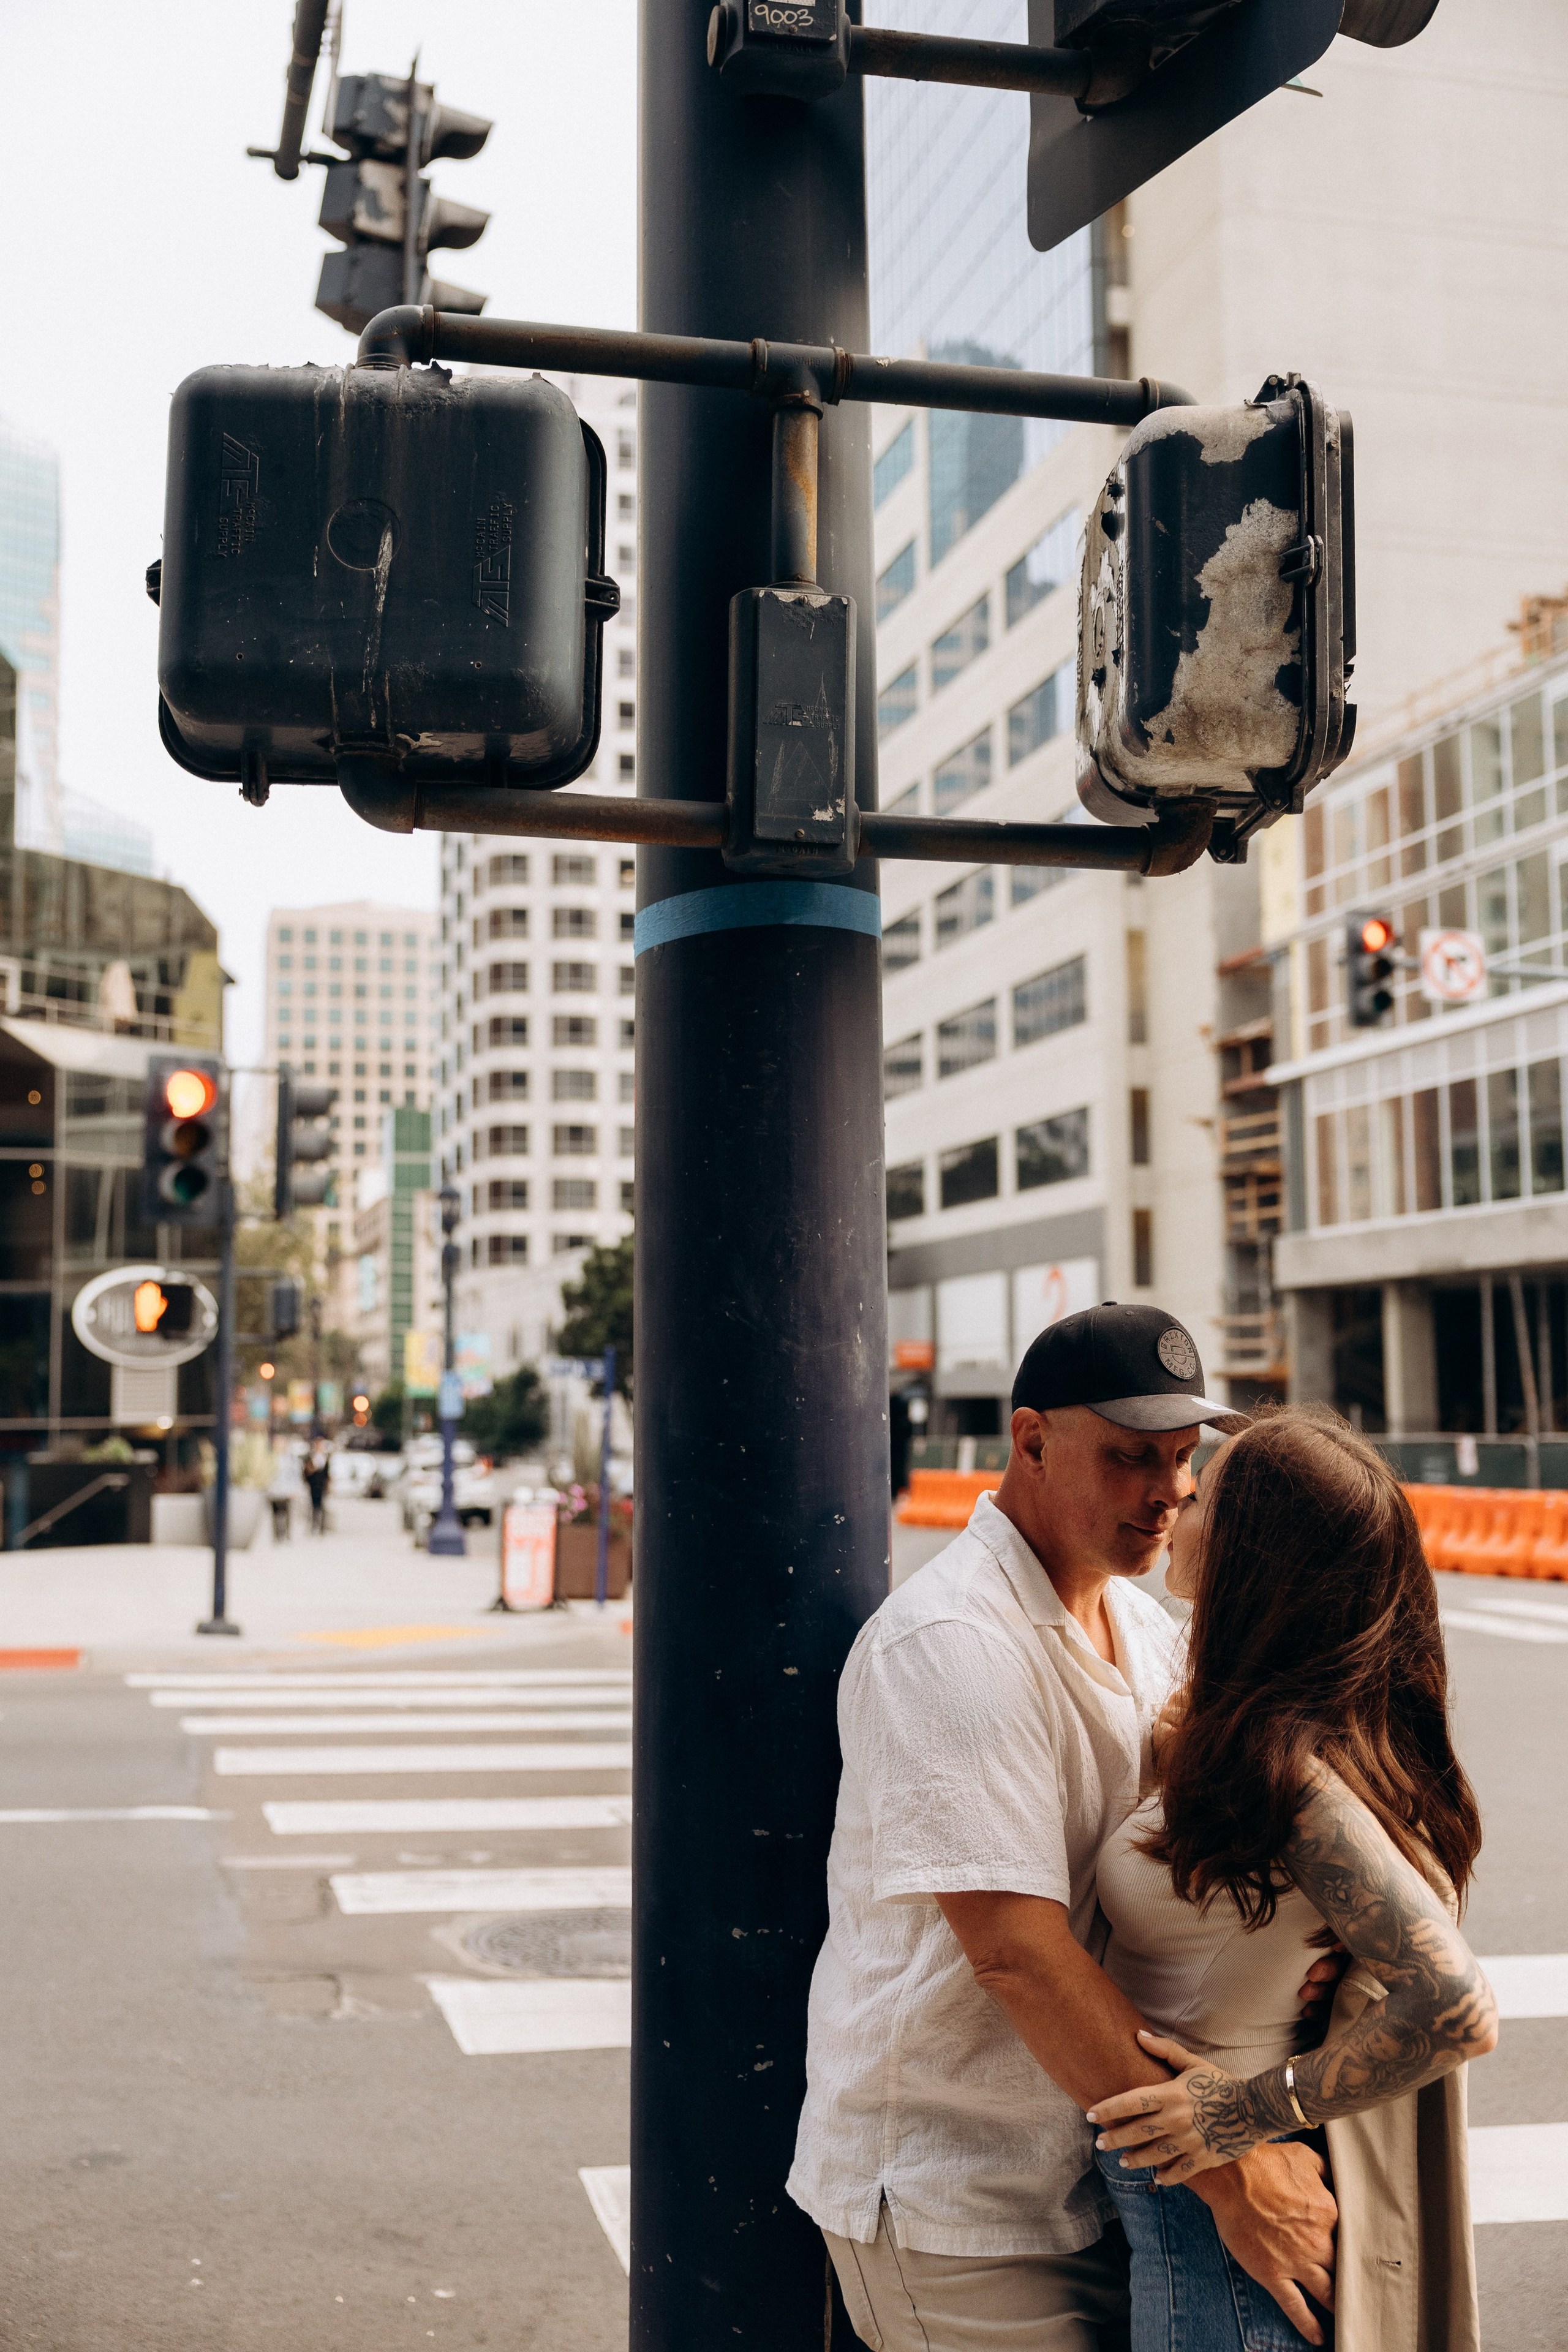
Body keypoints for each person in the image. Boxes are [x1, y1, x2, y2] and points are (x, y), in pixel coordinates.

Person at [788, 1304, 1340, 2352]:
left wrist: (1290, 1956)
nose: (1171, 1490)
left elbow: (1200, 1861)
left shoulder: (1149, 1627)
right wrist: (1235, 2166)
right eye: (1134, 1457)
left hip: (1110, 2168)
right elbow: (1018, 1953)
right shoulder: (955, 1643)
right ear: (1032, 1441)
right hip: (963, 2200)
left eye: (1184, 1459)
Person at [1085, 1408, 1496, 2352]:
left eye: (1209, 1491)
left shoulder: (1287, 1776)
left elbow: (1456, 2006)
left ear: (1250, 1555)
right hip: (1184, 2226)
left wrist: (1247, 2108)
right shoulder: (1253, 1737)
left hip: (1217, 2249)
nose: (1181, 1494)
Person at [304, 1443, 331, 1536]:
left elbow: (327, 1474)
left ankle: (322, 1529)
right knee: (313, 1507)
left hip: (322, 1486)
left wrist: (329, 1486)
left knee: (322, 1507)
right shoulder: (311, 1458)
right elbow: (306, 1472)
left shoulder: (326, 1458)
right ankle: (313, 1527)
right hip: (313, 1486)